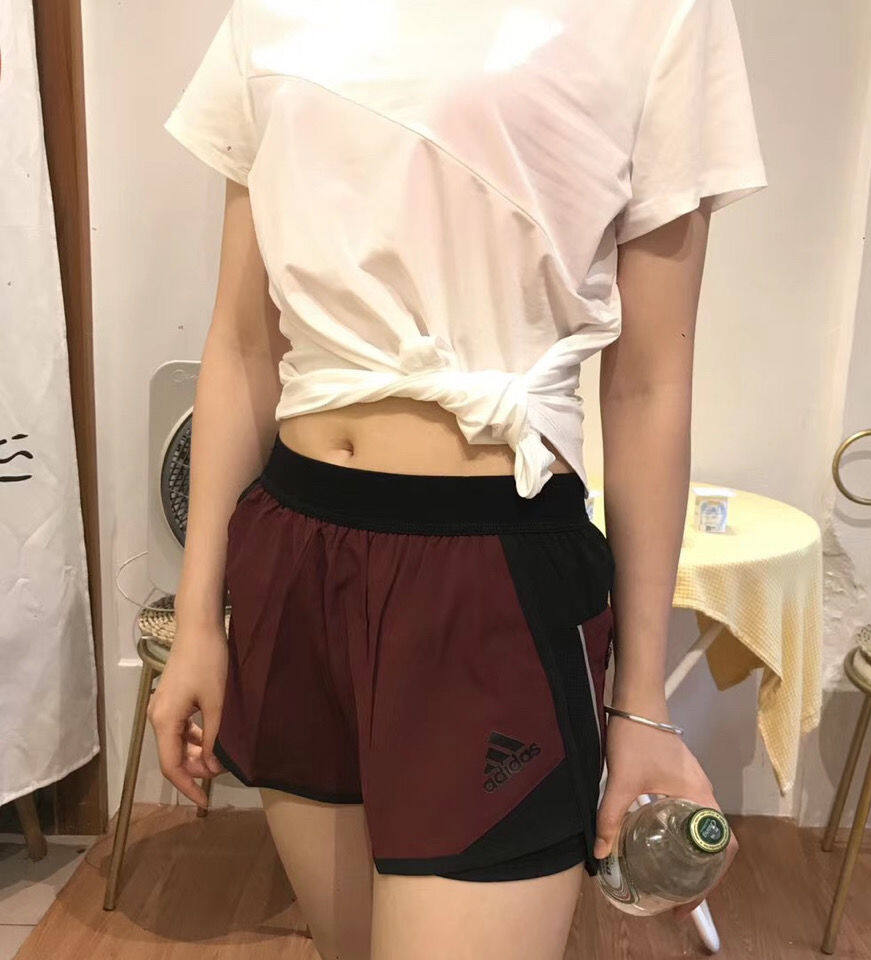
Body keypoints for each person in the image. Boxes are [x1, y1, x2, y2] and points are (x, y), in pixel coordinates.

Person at [147, 1, 767, 957]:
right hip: (297, 555)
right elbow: (240, 344)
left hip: (489, 575)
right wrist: (198, 619)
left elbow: (647, 384)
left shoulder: (659, 15)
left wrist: (642, 698)